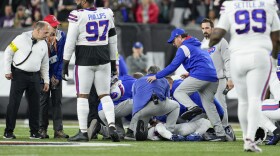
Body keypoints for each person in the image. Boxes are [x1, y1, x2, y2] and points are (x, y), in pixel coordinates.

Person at [209, 0, 280, 152]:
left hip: (238, 55)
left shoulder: (230, 5)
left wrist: (205, 47)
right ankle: (249, 138)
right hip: (260, 54)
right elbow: (277, 38)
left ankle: (251, 139)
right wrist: (273, 59)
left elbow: (216, 35)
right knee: (255, 99)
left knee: (244, 102)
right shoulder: (268, 3)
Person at [147, 28, 226, 141]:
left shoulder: (184, 47)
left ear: (180, 37)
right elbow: (205, 62)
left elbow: (173, 66)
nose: (173, 44)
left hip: (201, 75)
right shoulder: (199, 45)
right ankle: (221, 134)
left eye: (173, 41)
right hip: (213, 76)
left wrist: (157, 76)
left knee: (179, 91)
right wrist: (191, 73)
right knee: (209, 106)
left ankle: (193, 107)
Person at [62, 0, 120, 142]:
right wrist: (114, 63)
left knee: (82, 96)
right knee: (104, 95)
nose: (76, 1)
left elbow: (70, 41)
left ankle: (83, 132)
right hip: (104, 57)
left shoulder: (77, 15)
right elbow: (113, 40)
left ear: (84, 1)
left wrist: (65, 62)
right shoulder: (106, 12)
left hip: (85, 58)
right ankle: (112, 126)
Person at [3, 21, 50, 139]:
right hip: (19, 75)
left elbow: (45, 64)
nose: (47, 35)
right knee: (14, 104)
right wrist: (7, 70)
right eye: (45, 32)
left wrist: (46, 80)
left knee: (35, 106)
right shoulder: (21, 38)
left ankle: (34, 132)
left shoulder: (44, 43)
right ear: (37, 30)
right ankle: (8, 131)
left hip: (35, 76)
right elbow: (8, 52)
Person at [128, 65, 180, 141]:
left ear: (147, 72)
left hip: (141, 109)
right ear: (159, 73)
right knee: (176, 106)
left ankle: (137, 132)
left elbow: (134, 98)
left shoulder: (137, 81)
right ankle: (168, 131)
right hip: (157, 104)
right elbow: (167, 98)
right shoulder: (163, 79)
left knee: (142, 125)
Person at [39, 15, 69, 139]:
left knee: (57, 102)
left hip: (56, 73)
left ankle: (58, 130)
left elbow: (62, 57)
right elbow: (40, 59)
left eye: (56, 25)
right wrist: (47, 77)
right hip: (43, 74)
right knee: (43, 102)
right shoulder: (40, 38)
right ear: (46, 25)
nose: (56, 27)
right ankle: (42, 129)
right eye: (53, 25)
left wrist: (57, 76)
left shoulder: (61, 36)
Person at [200, 18, 234, 129]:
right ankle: (215, 128)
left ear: (212, 28)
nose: (205, 30)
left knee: (221, 104)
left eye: (207, 28)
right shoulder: (202, 44)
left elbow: (227, 60)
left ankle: (225, 128)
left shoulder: (221, 41)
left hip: (219, 79)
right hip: (206, 81)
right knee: (208, 106)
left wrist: (230, 78)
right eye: (203, 28)